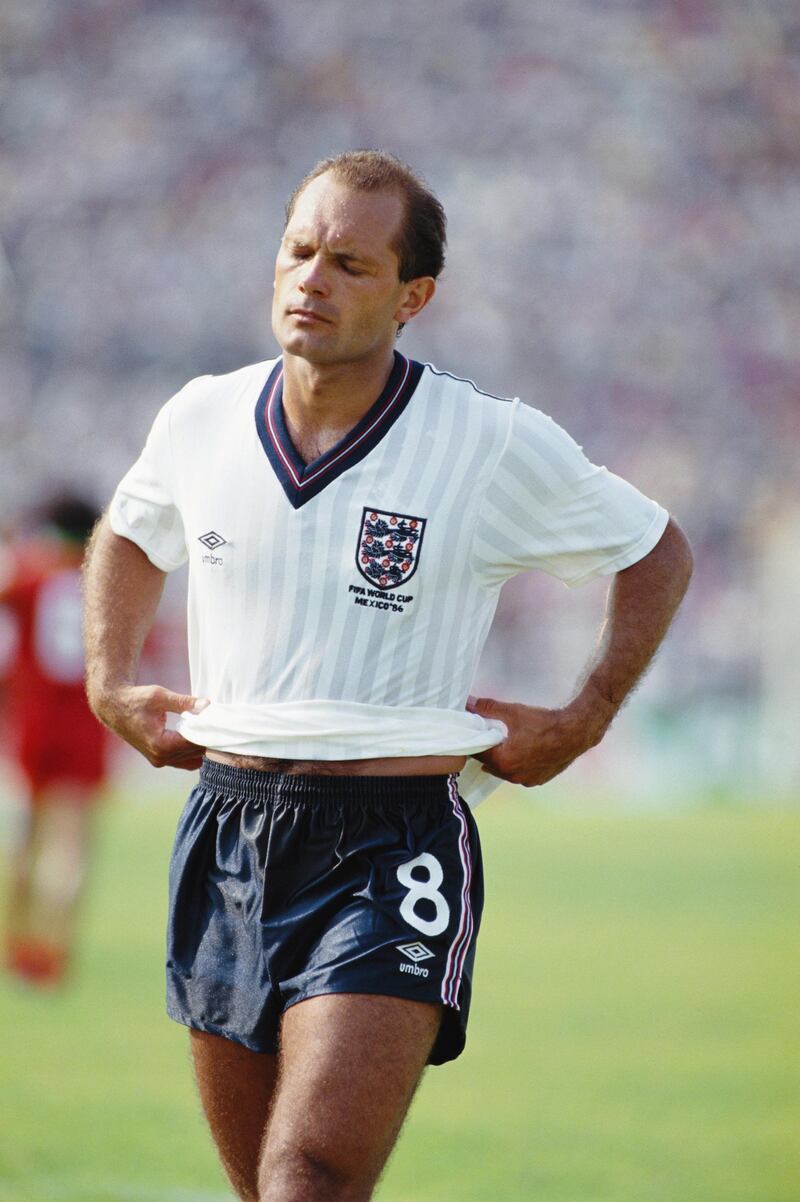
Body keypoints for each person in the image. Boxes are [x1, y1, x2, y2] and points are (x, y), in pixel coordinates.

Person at [83, 150, 692, 1202]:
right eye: (298, 250)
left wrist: (584, 715)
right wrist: (108, 680)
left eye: (350, 264)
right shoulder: (201, 416)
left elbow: (653, 547)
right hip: (226, 822)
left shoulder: (486, 438)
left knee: (307, 1171)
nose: (311, 279)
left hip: (389, 836)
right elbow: (131, 535)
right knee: (270, 1185)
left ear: (413, 295)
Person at [1, 495, 107, 986]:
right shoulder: (103, 581)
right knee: (70, 848)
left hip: (32, 725)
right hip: (86, 727)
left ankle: (14, 945)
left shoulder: (30, 576)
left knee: (23, 840)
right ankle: (53, 954)